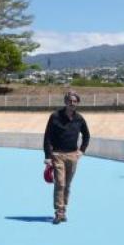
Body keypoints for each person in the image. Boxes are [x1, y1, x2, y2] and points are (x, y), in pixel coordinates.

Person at [43, 91, 90, 224]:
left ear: (77, 103)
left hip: (72, 155)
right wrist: (47, 156)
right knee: (60, 183)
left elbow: (86, 136)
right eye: (70, 101)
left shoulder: (79, 119)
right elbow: (47, 137)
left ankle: (64, 209)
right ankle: (59, 212)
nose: (72, 103)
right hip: (57, 155)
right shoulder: (55, 116)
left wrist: (82, 151)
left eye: (75, 101)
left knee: (67, 185)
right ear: (65, 102)